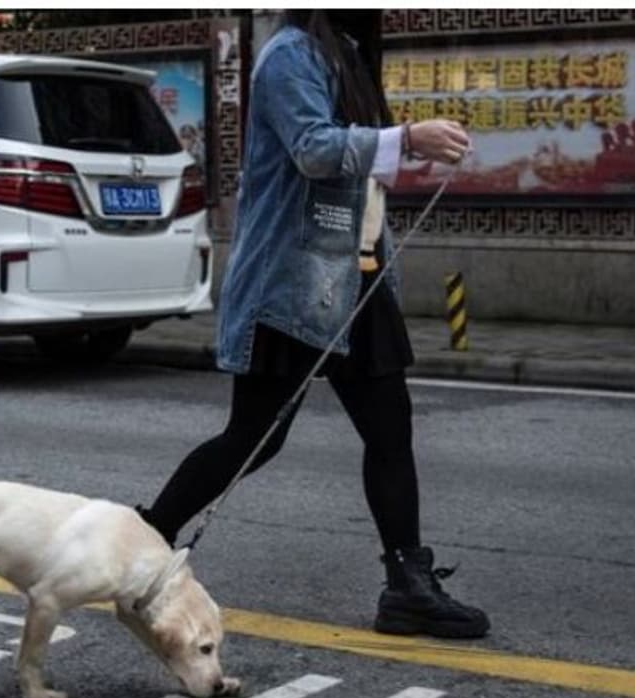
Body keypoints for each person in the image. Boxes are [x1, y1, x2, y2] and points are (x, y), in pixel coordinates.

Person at [136, 10, 489, 639]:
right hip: (293, 283)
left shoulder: (345, 52)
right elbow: (314, 149)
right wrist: (409, 137)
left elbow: (361, 170)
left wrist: (404, 146)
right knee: (254, 436)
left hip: (358, 279)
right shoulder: (290, 54)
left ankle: (407, 584)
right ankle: (142, 542)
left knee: (391, 430)